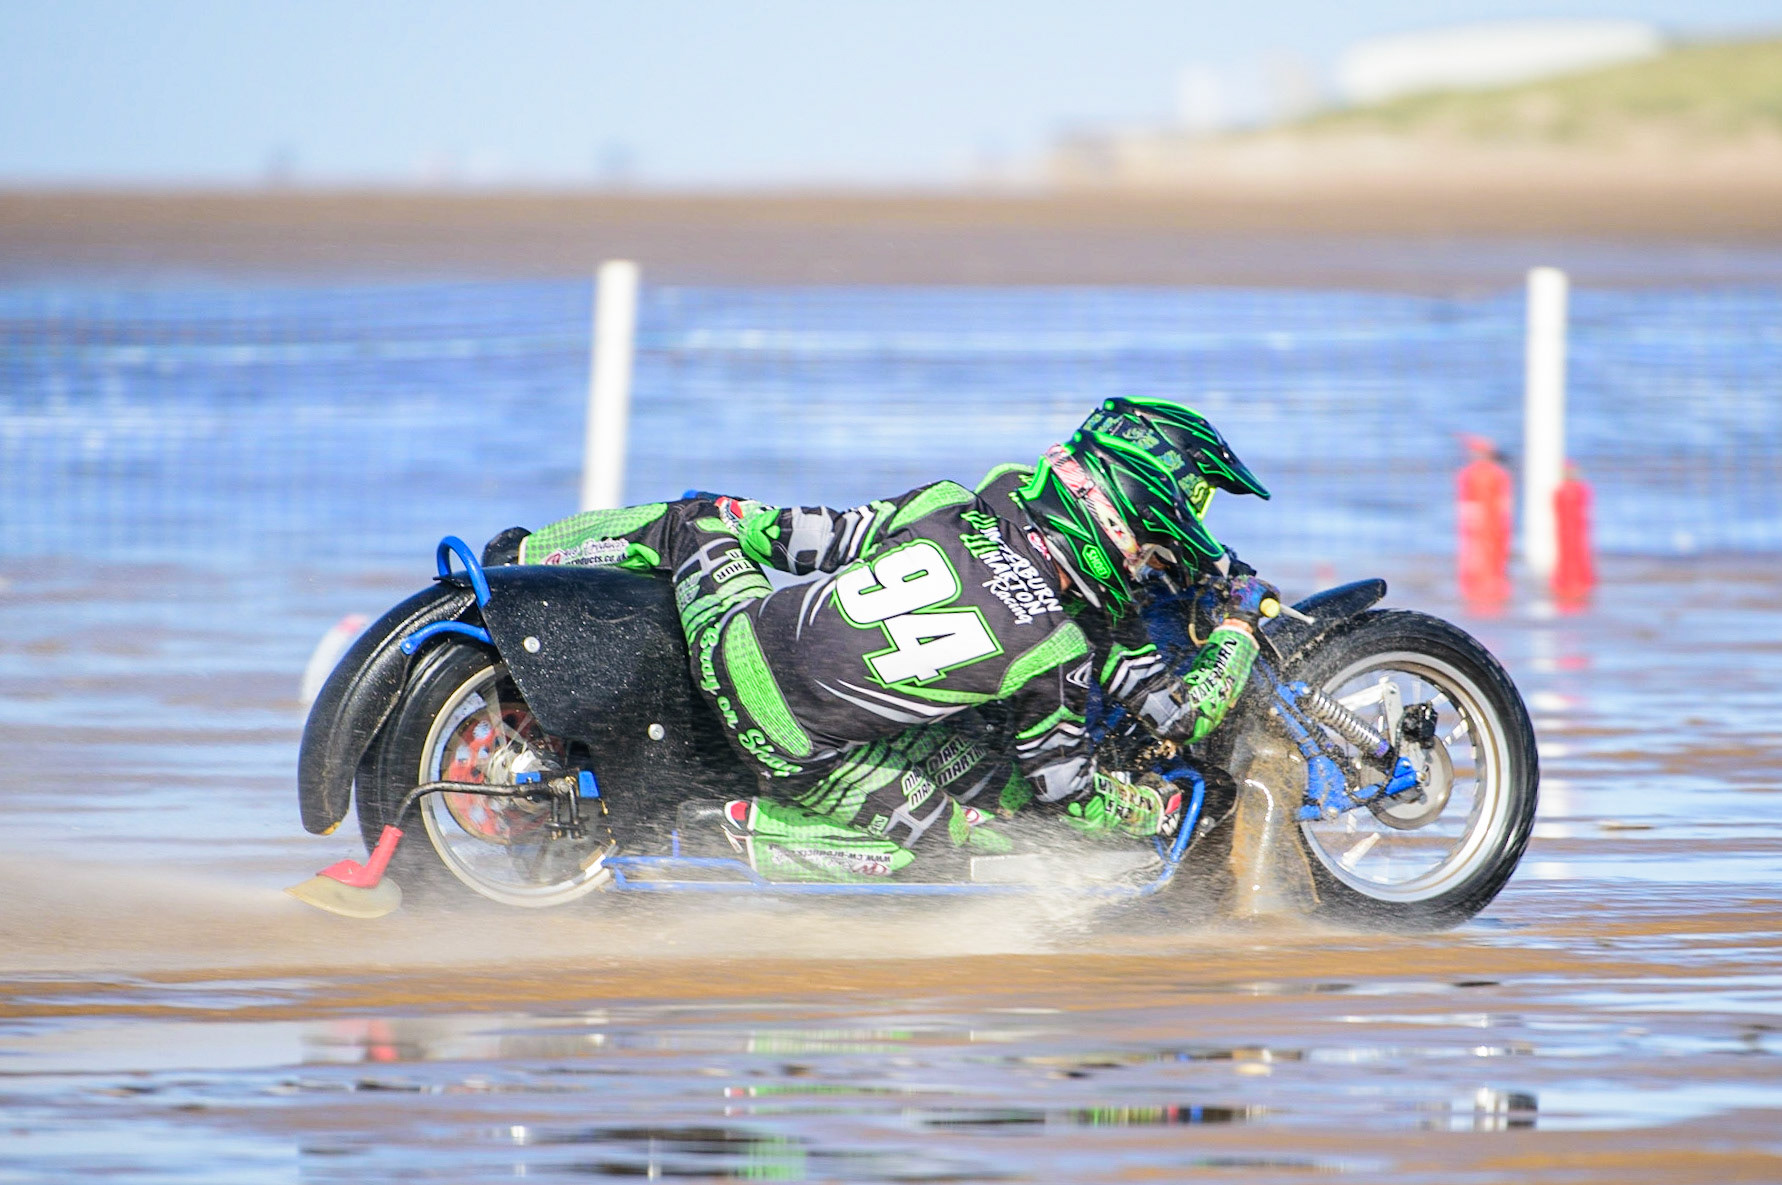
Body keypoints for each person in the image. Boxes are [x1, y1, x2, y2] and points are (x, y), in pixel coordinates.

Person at [483, 397, 1276, 881]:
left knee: (704, 516)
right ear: (1115, 525)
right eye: (1147, 546)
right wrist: (1148, 805)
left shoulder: (949, 501)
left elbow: (800, 538)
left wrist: (739, 529)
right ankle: (731, 840)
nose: (1148, 564)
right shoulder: (1058, 652)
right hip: (791, 746)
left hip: (729, 636)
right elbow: (1065, 786)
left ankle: (523, 558)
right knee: (962, 848)